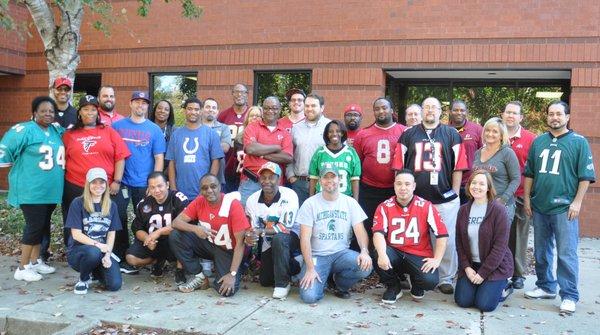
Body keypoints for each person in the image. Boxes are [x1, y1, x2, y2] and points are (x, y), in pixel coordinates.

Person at [523, 101, 595, 314]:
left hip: (565, 208)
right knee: (541, 250)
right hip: (540, 206)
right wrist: (527, 199)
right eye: (551, 114)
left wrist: (578, 202)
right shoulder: (539, 142)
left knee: (566, 253)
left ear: (567, 117)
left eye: (559, 114)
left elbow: (585, 177)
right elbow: (530, 174)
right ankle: (546, 286)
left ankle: (569, 295)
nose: (555, 117)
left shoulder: (579, 142)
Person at [392, 97, 468, 294]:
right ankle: (413, 275)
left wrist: (455, 193)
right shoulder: (408, 135)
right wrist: (402, 193)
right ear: (422, 110)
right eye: (426, 107)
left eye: (434, 107)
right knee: (413, 238)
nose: (430, 111)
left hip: (444, 197)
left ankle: (445, 278)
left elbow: (458, 166)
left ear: (440, 111)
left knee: (447, 239)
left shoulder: (451, 134)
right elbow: (399, 166)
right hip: (414, 198)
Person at [0, 96, 64, 282]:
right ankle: (22, 267)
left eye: (51, 111)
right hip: (31, 190)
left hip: (49, 191)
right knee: (34, 227)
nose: (48, 114)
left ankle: (35, 262)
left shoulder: (55, 130)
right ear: (34, 112)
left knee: (41, 227)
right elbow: (5, 151)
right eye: (43, 111)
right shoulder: (24, 130)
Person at [61, 95, 130, 263]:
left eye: (93, 109)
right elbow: (61, 159)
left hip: (104, 186)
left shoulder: (109, 131)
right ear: (79, 112)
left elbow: (120, 157)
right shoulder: (69, 135)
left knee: (115, 217)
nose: (90, 112)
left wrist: (117, 181)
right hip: (75, 185)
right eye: (86, 109)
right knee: (76, 221)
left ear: (98, 112)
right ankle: (76, 255)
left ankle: (116, 254)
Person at [297, 164, 372, 303]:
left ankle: (340, 283)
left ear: (340, 179)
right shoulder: (310, 204)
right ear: (320, 181)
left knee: (365, 266)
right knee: (309, 297)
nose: (329, 180)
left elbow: (360, 231)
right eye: (325, 177)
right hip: (317, 255)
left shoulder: (350, 202)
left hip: (341, 254)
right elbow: (305, 239)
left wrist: (364, 251)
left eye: (333, 176)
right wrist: (310, 268)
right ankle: (319, 278)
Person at [372, 170, 448, 303]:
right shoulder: (384, 206)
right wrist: (382, 254)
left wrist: (437, 259)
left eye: (407, 184)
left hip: (419, 254)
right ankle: (393, 287)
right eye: (399, 184)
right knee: (378, 253)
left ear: (414, 186)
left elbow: (442, 234)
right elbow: (378, 233)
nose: (403, 188)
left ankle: (417, 283)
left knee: (430, 281)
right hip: (395, 252)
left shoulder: (426, 206)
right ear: (394, 185)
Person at [169, 174, 250, 297]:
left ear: (220, 187)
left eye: (213, 186)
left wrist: (232, 274)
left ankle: (236, 269)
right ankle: (200, 277)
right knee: (176, 236)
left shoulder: (232, 204)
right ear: (200, 190)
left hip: (229, 251)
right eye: (205, 188)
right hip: (210, 244)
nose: (209, 191)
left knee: (225, 291)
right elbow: (175, 223)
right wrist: (195, 228)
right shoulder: (199, 201)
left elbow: (240, 243)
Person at [455, 170, 513, 312]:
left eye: (482, 184)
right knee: (463, 301)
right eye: (473, 183)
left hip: (494, 266)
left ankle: (505, 286)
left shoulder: (499, 211)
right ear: (468, 186)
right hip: (472, 265)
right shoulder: (463, 210)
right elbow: (459, 243)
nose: (477, 187)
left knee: (484, 305)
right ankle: (482, 286)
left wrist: (483, 273)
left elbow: (500, 247)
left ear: (488, 188)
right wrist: (467, 268)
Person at [353, 97, 406, 246]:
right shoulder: (363, 134)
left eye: (384, 108)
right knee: (368, 225)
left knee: (392, 226)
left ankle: (388, 262)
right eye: (377, 109)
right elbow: (357, 163)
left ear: (391, 110)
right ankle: (367, 261)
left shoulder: (404, 131)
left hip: (394, 189)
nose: (381, 111)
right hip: (369, 189)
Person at [245, 162, 301, 299]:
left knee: (279, 238)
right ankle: (292, 266)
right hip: (267, 240)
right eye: (263, 177)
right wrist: (250, 236)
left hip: (290, 237)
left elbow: (284, 227)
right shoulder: (252, 199)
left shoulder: (289, 195)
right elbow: (254, 227)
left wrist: (260, 231)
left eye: (271, 177)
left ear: (279, 179)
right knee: (265, 281)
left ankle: (283, 283)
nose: (267, 181)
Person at [65, 168, 122, 294]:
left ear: (106, 184)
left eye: (101, 182)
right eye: (94, 182)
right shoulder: (78, 203)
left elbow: (112, 234)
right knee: (93, 252)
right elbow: (76, 234)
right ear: (88, 184)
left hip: (101, 252)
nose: (98, 186)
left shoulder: (111, 205)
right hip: (79, 252)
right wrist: (98, 245)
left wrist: (107, 255)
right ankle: (83, 279)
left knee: (114, 285)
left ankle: (95, 271)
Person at [125, 172, 189, 281]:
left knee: (179, 235)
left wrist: (158, 232)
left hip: (173, 242)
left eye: (160, 186)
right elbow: (137, 228)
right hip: (154, 243)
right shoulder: (143, 203)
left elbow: (184, 225)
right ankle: (157, 261)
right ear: (148, 188)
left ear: (167, 185)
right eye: (152, 187)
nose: (157, 190)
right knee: (130, 258)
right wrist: (147, 239)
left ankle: (180, 269)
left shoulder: (178, 199)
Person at [501, 101, 536, 289]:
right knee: (499, 234)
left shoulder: (531, 139)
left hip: (521, 194)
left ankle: (518, 274)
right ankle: (501, 269)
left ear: (521, 117)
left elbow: (534, 170)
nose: (510, 116)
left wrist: (531, 196)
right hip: (498, 195)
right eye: (508, 112)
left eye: (514, 113)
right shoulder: (496, 135)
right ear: (503, 114)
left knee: (519, 236)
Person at [113, 91, 166, 211]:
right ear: (130, 104)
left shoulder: (155, 129)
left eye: (144, 103)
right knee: (119, 215)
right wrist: (115, 180)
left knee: (145, 216)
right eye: (137, 102)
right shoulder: (116, 127)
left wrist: (154, 184)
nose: (140, 105)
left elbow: (159, 158)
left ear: (147, 107)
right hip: (122, 182)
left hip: (144, 183)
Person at [167, 97, 224, 200]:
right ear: (185, 111)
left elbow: (216, 161)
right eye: (189, 109)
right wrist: (173, 189)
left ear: (201, 111)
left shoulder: (211, 134)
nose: (193, 112)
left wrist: (209, 187)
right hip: (180, 194)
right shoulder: (176, 135)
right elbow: (171, 163)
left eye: (196, 109)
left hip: (203, 193)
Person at [239, 96, 293, 206]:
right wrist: (277, 148)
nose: (270, 111)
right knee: (245, 216)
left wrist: (261, 154)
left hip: (274, 183)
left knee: (271, 218)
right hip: (251, 181)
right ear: (262, 110)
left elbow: (287, 158)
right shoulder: (252, 127)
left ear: (279, 109)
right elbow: (250, 149)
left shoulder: (285, 133)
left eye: (274, 108)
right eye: (267, 108)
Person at [472, 117, 520, 223]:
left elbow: (516, 179)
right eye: (488, 130)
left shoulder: (507, 153)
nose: (490, 134)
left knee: (499, 239)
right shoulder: (478, 153)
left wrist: (503, 200)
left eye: (495, 131)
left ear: (502, 135)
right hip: (480, 205)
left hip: (502, 206)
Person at [287, 93, 331, 205]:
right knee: (299, 220)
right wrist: (291, 175)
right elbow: (288, 153)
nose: (309, 109)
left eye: (313, 106)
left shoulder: (331, 127)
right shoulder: (296, 128)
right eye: (307, 106)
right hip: (299, 183)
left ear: (322, 108)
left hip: (323, 183)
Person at [309, 120, 361, 200]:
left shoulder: (350, 152)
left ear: (343, 133)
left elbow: (354, 180)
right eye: (330, 131)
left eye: (338, 131)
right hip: (321, 198)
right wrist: (311, 199)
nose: (334, 134)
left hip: (345, 198)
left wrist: (355, 201)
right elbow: (313, 178)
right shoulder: (320, 152)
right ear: (327, 134)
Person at [448, 100, 483, 204]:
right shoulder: (443, 130)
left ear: (466, 112)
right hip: (448, 183)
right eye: (456, 110)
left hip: (471, 183)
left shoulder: (477, 129)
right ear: (450, 112)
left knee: (469, 217)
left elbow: (485, 154)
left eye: (462, 110)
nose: (459, 113)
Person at [218, 83, 249, 193]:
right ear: (232, 94)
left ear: (247, 95)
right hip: (227, 167)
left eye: (242, 92)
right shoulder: (223, 116)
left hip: (247, 170)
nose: (239, 94)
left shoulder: (252, 115)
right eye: (236, 91)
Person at [202, 97, 232, 188]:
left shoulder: (224, 128)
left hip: (217, 177)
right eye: (208, 107)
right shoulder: (195, 127)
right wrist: (215, 147)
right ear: (202, 109)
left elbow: (225, 147)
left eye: (214, 108)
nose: (211, 110)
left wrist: (202, 148)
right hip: (197, 173)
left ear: (217, 111)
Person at [233, 106, 263, 177]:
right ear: (247, 119)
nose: (254, 118)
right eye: (251, 115)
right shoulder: (239, 137)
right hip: (243, 176)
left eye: (258, 116)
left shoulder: (267, 136)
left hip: (262, 175)